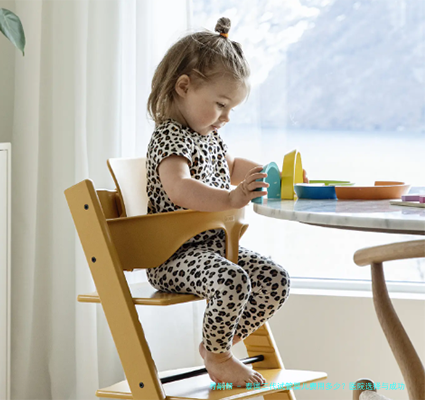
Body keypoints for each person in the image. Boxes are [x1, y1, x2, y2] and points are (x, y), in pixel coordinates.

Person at [145, 16, 308, 387]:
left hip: (215, 249)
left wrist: (271, 175)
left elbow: (231, 167)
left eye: (231, 108)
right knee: (232, 279)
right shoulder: (170, 139)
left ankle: (216, 345)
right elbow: (179, 188)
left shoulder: (208, 136)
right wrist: (232, 198)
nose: (226, 117)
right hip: (173, 256)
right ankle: (219, 357)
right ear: (183, 87)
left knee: (274, 278)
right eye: (220, 104)